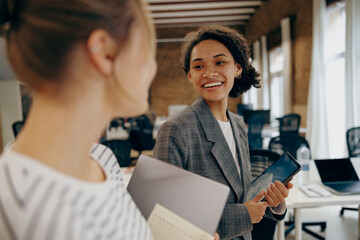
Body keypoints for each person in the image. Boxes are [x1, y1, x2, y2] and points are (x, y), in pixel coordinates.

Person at [0, 0, 157, 239]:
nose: (153, 66)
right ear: (105, 52)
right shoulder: (17, 208)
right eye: (147, 48)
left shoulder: (103, 161)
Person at [153, 25, 293, 240]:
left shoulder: (237, 124)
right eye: (199, 66)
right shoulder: (176, 129)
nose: (209, 73)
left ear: (237, 68)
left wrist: (275, 203)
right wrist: (243, 215)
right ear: (190, 75)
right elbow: (164, 215)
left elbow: (242, 195)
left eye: (220, 62)